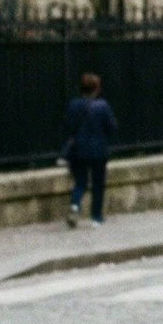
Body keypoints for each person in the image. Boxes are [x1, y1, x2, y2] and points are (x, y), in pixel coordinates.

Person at [62, 71, 117, 227]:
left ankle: (75, 205)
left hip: (78, 150)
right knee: (98, 184)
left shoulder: (73, 105)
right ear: (97, 89)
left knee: (80, 182)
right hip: (99, 150)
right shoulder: (103, 106)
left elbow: (68, 126)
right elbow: (112, 127)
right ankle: (96, 217)